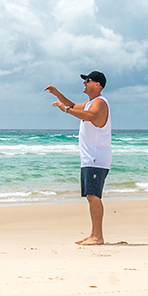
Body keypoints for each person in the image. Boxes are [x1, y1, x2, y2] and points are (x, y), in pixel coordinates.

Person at [45, 71, 111, 245]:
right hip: (90, 158)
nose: (84, 83)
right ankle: (93, 234)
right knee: (90, 196)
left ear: (97, 85)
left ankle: (98, 236)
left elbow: (90, 116)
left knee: (93, 196)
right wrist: (58, 94)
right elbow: (75, 105)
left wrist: (66, 110)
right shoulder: (90, 102)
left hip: (97, 157)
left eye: (87, 81)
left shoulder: (100, 102)